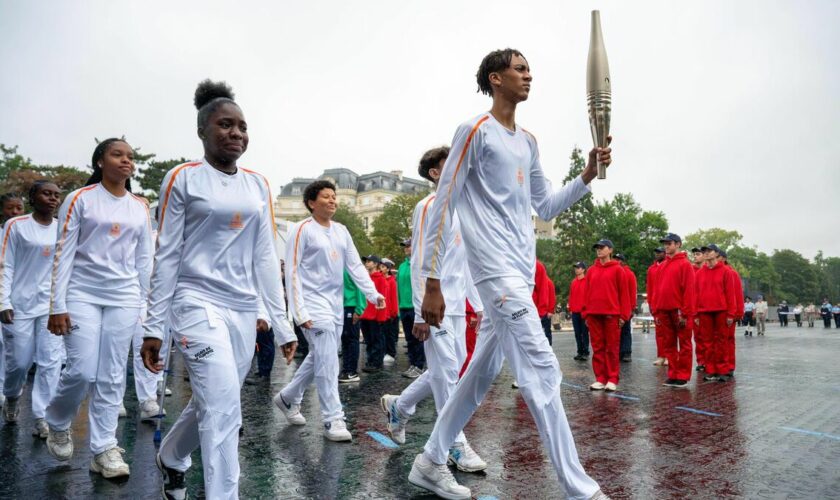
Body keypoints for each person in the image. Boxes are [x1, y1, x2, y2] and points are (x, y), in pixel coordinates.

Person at [408, 48, 611, 500]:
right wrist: (433, 281)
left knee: (480, 374)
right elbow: (444, 203)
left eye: (529, 69)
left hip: (521, 274)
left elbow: (544, 207)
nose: (528, 75)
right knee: (541, 370)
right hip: (494, 275)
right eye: (520, 69)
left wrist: (587, 176)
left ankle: (430, 460)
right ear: (495, 78)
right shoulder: (474, 131)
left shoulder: (529, 141)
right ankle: (582, 490)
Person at [139, 80, 298, 499]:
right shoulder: (182, 178)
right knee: (226, 406)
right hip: (194, 301)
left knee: (215, 398)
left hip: (242, 307)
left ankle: (172, 456)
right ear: (202, 131)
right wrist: (155, 326)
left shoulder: (258, 184)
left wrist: (282, 324)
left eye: (242, 126)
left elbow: (265, 256)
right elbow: (168, 254)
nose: (236, 133)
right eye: (225, 125)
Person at [43, 138, 152, 479]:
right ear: (100, 161)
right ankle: (58, 420)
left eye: (130, 157)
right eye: (117, 154)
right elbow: (63, 253)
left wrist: (150, 308)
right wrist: (56, 305)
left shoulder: (139, 206)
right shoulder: (80, 199)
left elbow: (145, 259)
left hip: (124, 296)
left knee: (112, 373)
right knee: (82, 370)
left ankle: (104, 449)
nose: (126, 161)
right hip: (82, 294)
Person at [381, 145, 486, 474]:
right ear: (435, 173)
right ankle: (454, 442)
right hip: (433, 306)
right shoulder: (428, 207)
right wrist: (418, 313)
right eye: (448, 163)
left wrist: (477, 306)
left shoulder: (464, 209)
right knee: (446, 375)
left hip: (455, 307)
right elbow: (419, 262)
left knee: (447, 370)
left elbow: (466, 263)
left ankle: (400, 405)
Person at [275, 180, 383, 442]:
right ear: (312, 203)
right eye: (326, 197)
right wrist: (299, 312)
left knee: (322, 355)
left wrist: (372, 293)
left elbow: (355, 265)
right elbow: (292, 270)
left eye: (334, 197)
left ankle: (288, 397)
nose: (333, 201)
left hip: (334, 306)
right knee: (328, 360)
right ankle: (332, 418)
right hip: (311, 305)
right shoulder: (301, 229)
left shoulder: (341, 231)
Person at [0, 181, 63, 438]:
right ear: (33, 197)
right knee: (19, 363)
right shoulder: (16, 226)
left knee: (50, 362)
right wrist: (3, 301)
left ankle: (42, 415)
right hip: (20, 306)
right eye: (46, 193)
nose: (52, 199)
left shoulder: (63, 228)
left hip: (51, 306)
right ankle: (12, 395)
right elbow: (6, 265)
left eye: (56, 195)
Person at [582, 239, 630, 392]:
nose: (599, 250)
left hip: (612, 315)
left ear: (610, 250)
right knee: (597, 348)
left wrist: (624, 316)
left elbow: (624, 294)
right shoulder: (590, 270)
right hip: (594, 315)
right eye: (597, 248)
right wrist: (586, 314)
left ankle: (612, 378)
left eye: (602, 248)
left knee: (612, 347)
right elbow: (586, 293)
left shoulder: (618, 270)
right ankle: (600, 379)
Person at [653, 233, 696, 388]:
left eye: (669, 243)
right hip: (664, 310)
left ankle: (683, 375)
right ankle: (673, 373)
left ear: (678, 244)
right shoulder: (662, 265)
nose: (666, 246)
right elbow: (657, 290)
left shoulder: (685, 264)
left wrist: (685, 313)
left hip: (679, 311)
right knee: (669, 344)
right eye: (665, 243)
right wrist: (657, 310)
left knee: (684, 343)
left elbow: (689, 290)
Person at [695, 245, 737, 383]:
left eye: (709, 251)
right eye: (704, 252)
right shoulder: (700, 273)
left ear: (716, 253)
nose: (706, 254)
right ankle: (711, 370)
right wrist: (695, 314)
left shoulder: (726, 271)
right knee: (707, 342)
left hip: (721, 311)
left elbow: (731, 294)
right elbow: (695, 294)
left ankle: (723, 370)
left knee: (722, 341)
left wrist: (731, 314)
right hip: (704, 312)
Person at [0, 192, 25, 409]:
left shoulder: (23, 233)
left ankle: (8, 392)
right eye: (11, 208)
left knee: (12, 350)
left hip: (14, 298)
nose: (15, 213)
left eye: (19, 208)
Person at [398, 238, 425, 378]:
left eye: (409, 246)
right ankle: (413, 364)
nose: (406, 248)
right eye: (405, 246)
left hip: (415, 307)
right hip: (404, 307)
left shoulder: (419, 264)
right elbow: (399, 288)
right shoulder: (402, 266)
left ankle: (419, 365)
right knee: (409, 338)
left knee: (418, 338)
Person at [360, 255, 388, 372]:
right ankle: (370, 361)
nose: (367, 263)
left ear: (376, 264)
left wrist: (381, 317)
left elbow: (383, 299)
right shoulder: (365, 278)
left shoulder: (381, 279)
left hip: (375, 315)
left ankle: (376, 363)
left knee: (376, 339)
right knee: (369, 340)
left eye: (369, 261)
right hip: (365, 314)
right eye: (366, 261)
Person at [339, 269, 367, 383]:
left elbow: (361, 289)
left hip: (352, 307)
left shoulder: (353, 269)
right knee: (345, 340)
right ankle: (346, 369)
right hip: (342, 308)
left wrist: (359, 309)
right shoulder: (340, 266)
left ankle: (352, 371)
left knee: (351, 340)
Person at [615, 254, 636, 362]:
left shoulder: (629, 274)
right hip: (615, 307)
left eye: (619, 259)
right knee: (616, 331)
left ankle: (627, 352)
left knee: (626, 330)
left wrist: (632, 307)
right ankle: (619, 351)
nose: (617, 261)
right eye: (616, 259)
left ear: (623, 261)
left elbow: (632, 292)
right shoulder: (614, 272)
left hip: (626, 307)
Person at [647, 247, 667, 366]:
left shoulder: (668, 266)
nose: (657, 254)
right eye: (656, 252)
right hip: (656, 304)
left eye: (660, 252)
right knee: (659, 332)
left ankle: (669, 356)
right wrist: (650, 302)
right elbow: (649, 287)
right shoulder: (651, 269)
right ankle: (661, 355)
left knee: (669, 333)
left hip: (667, 303)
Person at [568, 261, 590, 360]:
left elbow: (590, 296)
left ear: (583, 269)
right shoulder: (573, 282)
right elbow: (571, 296)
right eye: (575, 267)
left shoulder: (588, 281)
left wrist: (588, 311)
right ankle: (579, 351)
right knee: (577, 333)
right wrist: (571, 309)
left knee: (584, 333)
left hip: (584, 312)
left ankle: (586, 352)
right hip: (575, 312)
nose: (576, 269)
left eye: (578, 267)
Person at [534, 259, 557, 345]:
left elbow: (552, 297)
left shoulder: (549, 282)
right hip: (536, 310)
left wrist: (550, 311)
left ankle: (549, 346)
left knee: (547, 332)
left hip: (545, 312)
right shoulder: (535, 281)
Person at [382, 258, 400, 365]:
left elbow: (393, 297)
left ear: (388, 269)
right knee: (383, 333)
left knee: (390, 334)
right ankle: (384, 352)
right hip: (382, 312)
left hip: (390, 313)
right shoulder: (381, 279)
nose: (381, 269)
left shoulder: (392, 281)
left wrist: (394, 312)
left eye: (383, 267)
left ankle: (391, 353)